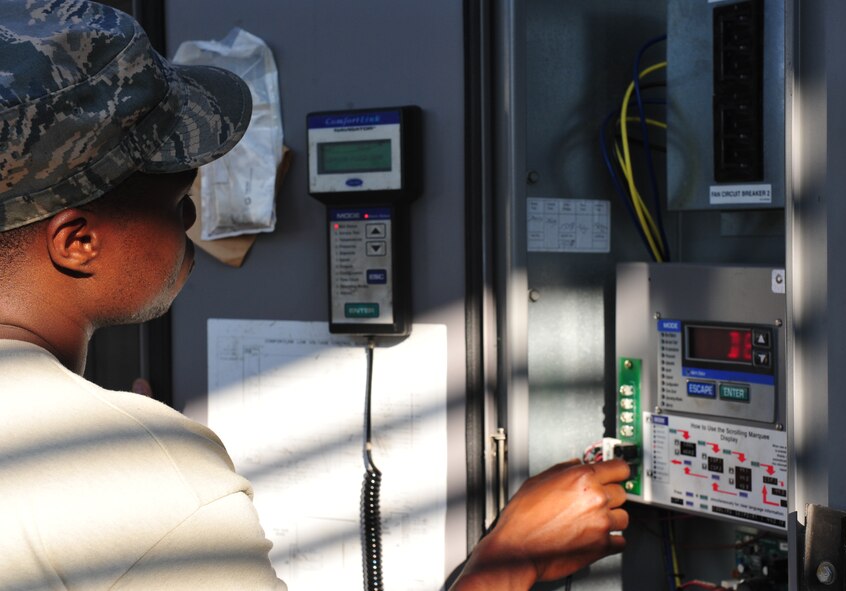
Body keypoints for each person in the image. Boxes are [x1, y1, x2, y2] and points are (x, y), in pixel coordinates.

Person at [0, 1, 630, 590]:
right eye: (176, 204)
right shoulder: (133, 473)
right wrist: (508, 561)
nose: (194, 218)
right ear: (77, 241)